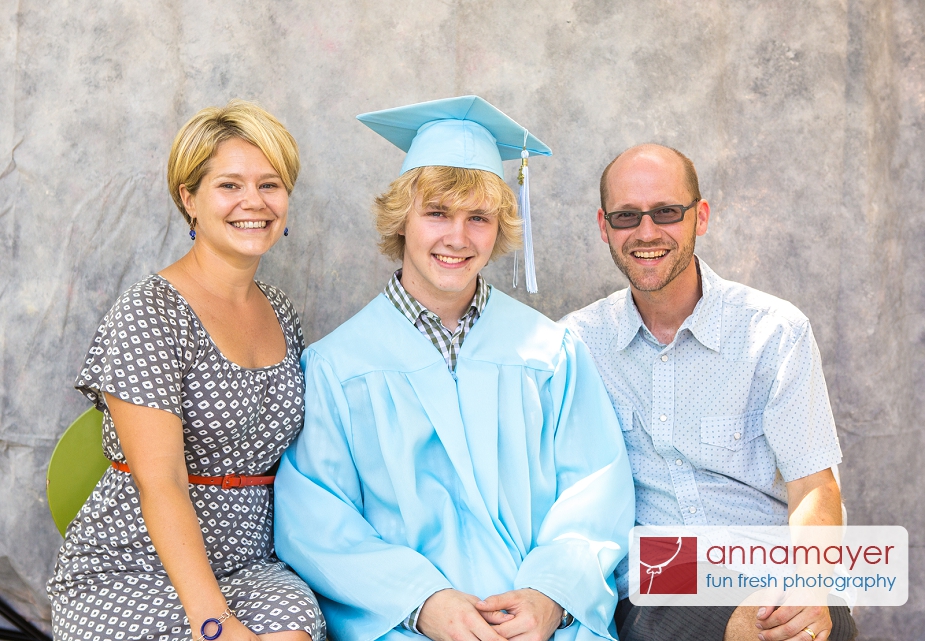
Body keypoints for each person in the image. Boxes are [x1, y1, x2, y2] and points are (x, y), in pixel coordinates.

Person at [273, 95, 635, 641]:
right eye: (437, 212)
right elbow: (318, 522)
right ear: (402, 220)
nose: (458, 238)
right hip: (405, 625)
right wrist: (422, 602)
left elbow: (595, 488)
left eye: (478, 218)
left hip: (543, 624)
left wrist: (549, 595)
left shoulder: (548, 352)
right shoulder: (338, 366)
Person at [47, 100, 325, 641]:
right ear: (189, 199)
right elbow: (163, 482)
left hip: (250, 563)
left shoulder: (280, 309)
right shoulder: (149, 313)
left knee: (293, 630)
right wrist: (212, 621)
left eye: (270, 184)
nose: (255, 202)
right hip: (134, 567)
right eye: (230, 186)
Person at [560, 144, 857, 641]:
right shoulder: (577, 345)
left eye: (667, 212)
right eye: (627, 216)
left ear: (700, 216)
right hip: (655, 581)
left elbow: (815, 488)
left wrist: (807, 585)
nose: (647, 231)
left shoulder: (775, 333)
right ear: (604, 226)